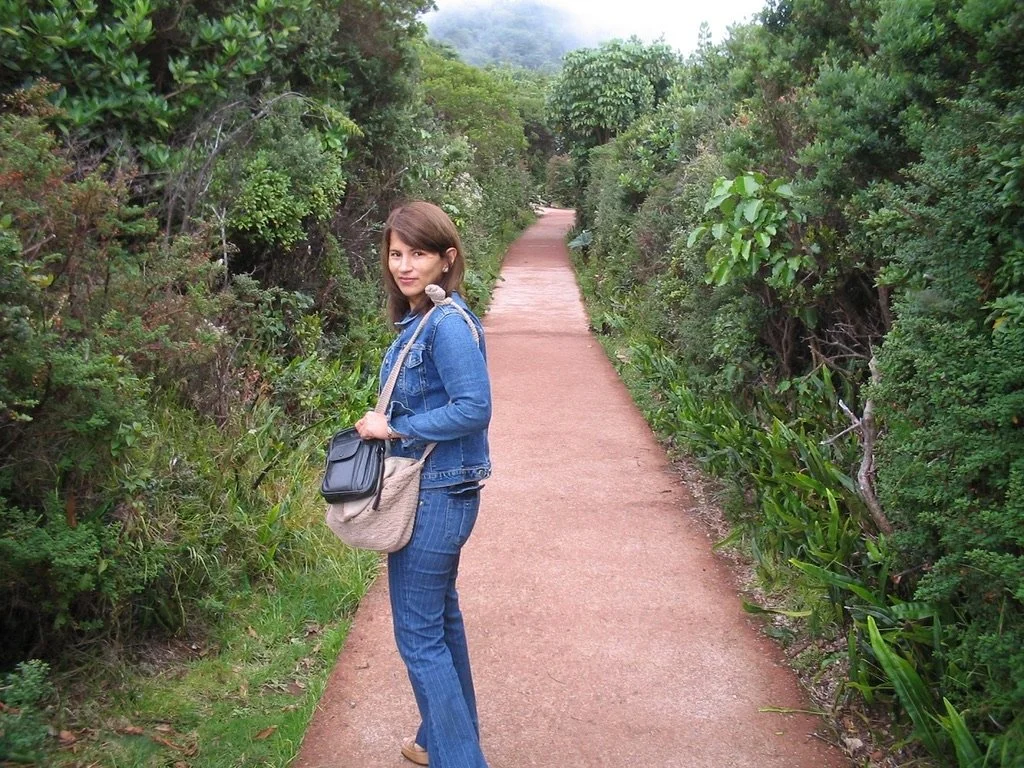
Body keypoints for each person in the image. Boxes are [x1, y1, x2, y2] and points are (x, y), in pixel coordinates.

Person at [353, 201, 492, 768]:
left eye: (418, 254)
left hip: (436, 492)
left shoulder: (447, 326)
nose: (404, 265)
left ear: (446, 259)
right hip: (438, 487)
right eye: (396, 254)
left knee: (418, 634)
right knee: (440, 619)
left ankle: (460, 759)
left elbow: (474, 408)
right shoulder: (423, 319)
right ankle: (443, 739)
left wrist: (395, 426)